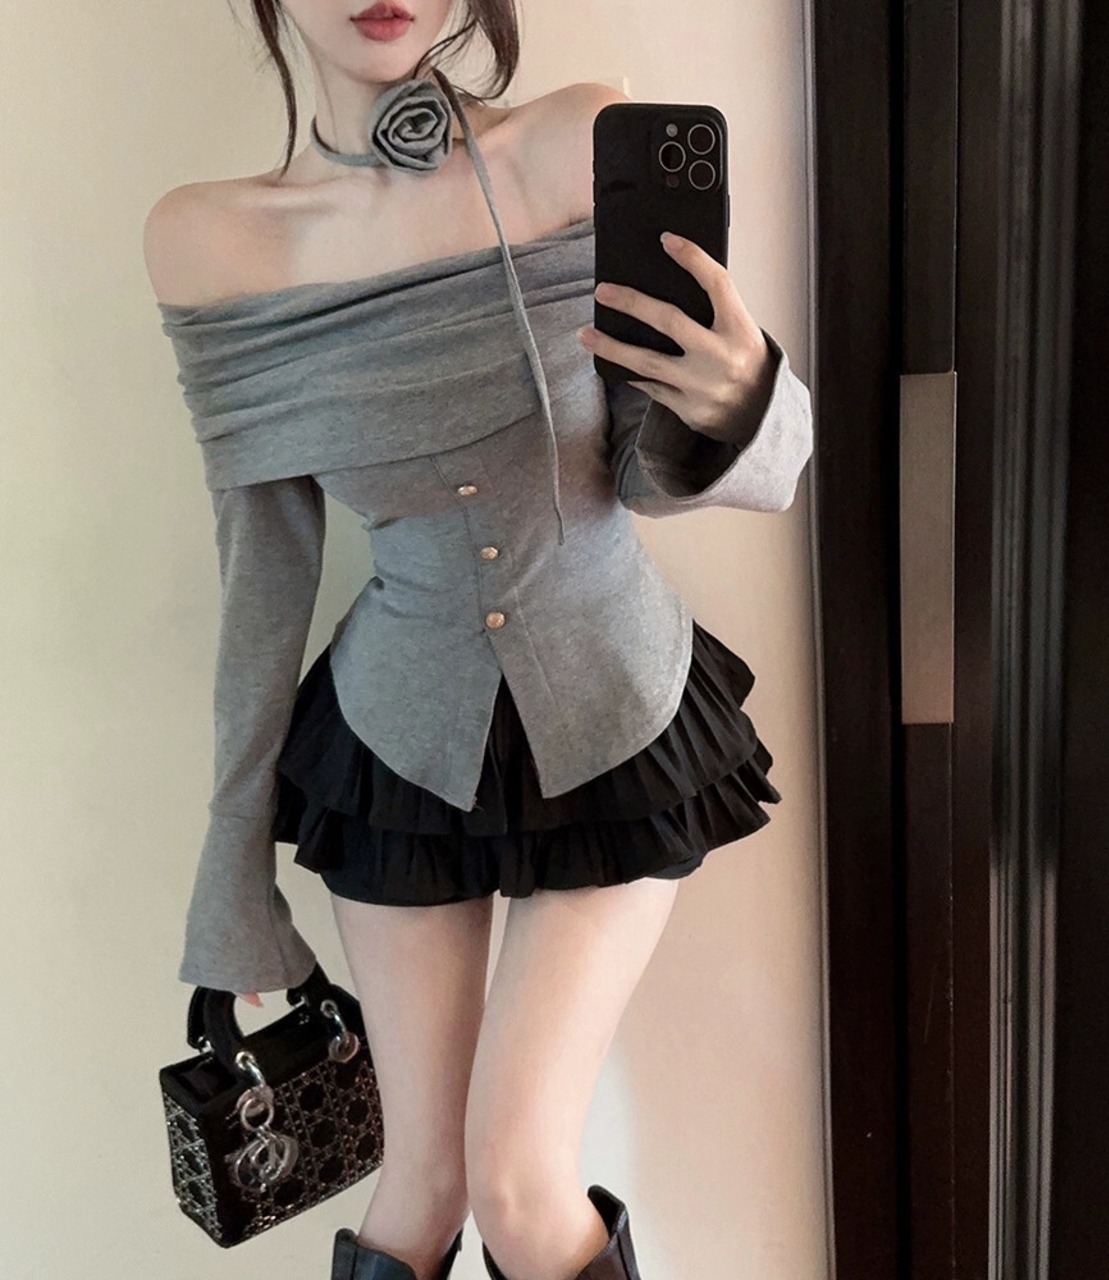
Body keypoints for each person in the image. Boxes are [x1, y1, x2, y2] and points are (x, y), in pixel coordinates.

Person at [144, 3, 813, 1279]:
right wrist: (231, 879)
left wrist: (743, 403)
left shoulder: (579, 143)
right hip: (396, 743)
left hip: (617, 712)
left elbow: (647, 467)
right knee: (423, 1183)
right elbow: (262, 578)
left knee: (514, 1177)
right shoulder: (210, 241)